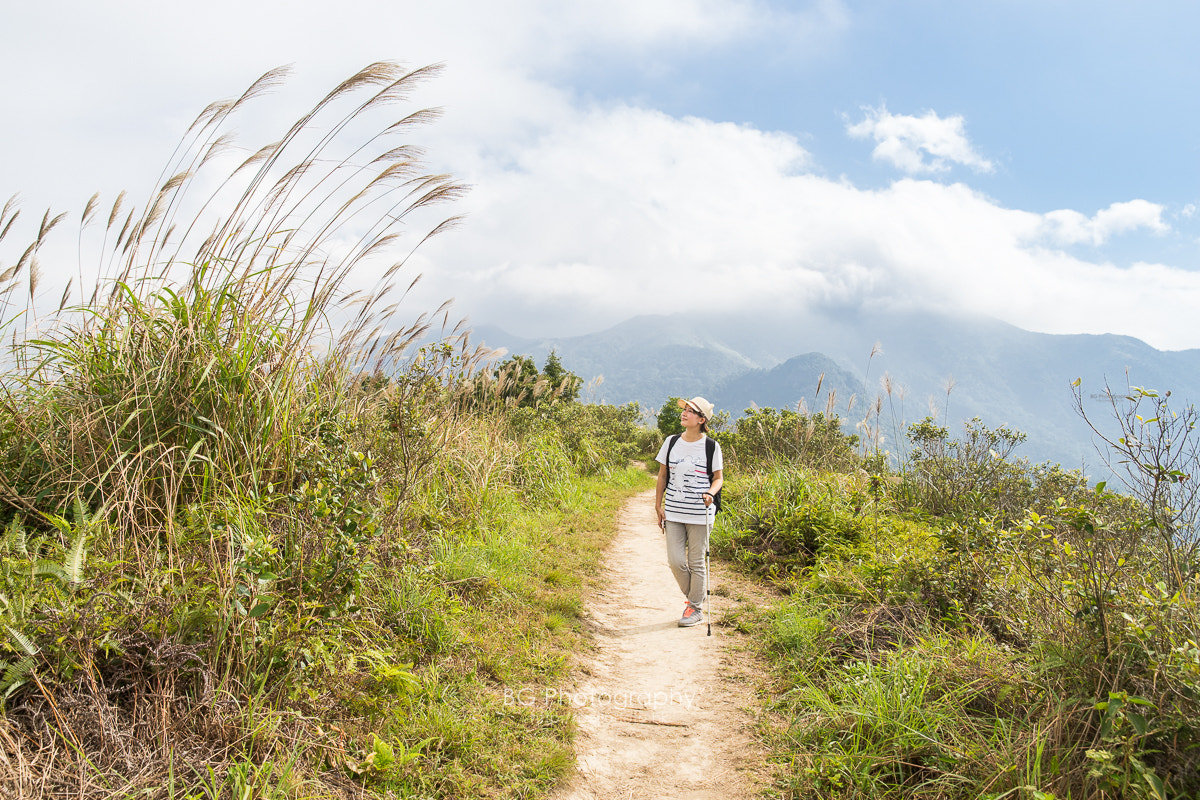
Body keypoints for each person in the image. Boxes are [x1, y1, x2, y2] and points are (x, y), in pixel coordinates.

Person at [654, 396, 724, 627]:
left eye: (691, 411)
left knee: (696, 562)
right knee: (675, 561)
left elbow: (718, 479)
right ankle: (696, 597)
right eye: (685, 409)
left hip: (700, 514)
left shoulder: (711, 446)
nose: (684, 413)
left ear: (701, 420)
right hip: (673, 511)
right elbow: (663, 475)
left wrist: (710, 494)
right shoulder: (671, 442)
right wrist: (658, 505)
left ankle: (695, 609)